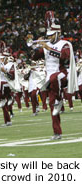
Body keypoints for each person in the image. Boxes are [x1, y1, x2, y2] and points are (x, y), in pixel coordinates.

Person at [31, 11, 78, 140]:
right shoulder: (47, 45)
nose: (49, 37)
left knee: (54, 78)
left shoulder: (65, 44)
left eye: (51, 35)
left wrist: (49, 48)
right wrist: (36, 47)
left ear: (57, 33)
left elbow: (65, 57)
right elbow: (34, 57)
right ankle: (57, 132)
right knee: (52, 105)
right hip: (50, 79)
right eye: (48, 35)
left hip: (62, 75)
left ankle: (59, 100)